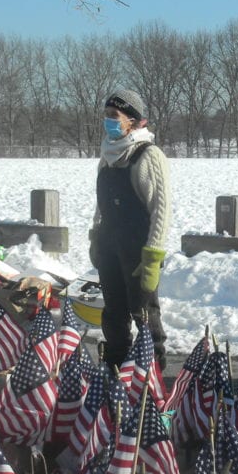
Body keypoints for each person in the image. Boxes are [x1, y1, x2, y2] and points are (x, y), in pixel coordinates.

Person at [89, 88, 171, 371]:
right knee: (113, 314)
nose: (109, 121)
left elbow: (161, 209)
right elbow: (101, 203)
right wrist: (95, 235)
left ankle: (154, 376)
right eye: (107, 115)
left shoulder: (148, 155)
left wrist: (152, 258)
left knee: (145, 316)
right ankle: (115, 371)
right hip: (110, 244)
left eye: (115, 116)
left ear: (134, 121)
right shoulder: (107, 154)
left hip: (138, 249)